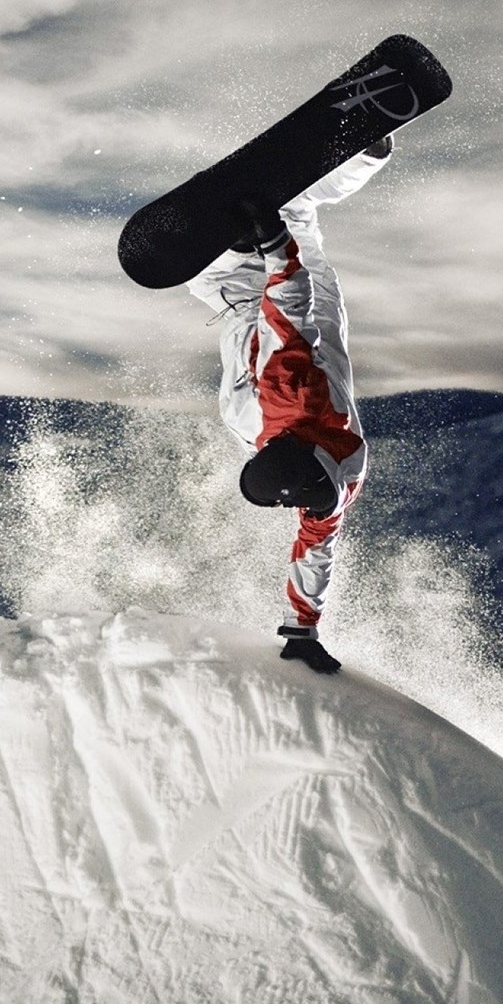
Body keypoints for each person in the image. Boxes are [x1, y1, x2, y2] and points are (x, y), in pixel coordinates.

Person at [186, 136, 392, 674]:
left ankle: (241, 253)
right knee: (294, 222)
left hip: (271, 342)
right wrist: (275, 246)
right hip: (302, 314)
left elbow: (314, 552)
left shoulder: (323, 487)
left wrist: (301, 629)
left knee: (248, 269)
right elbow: (291, 306)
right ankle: (360, 158)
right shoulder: (295, 401)